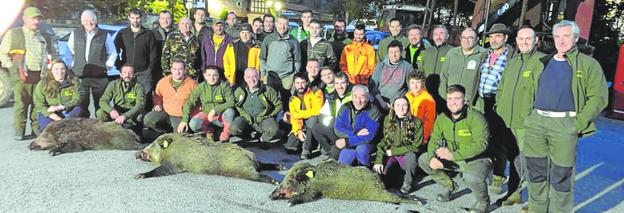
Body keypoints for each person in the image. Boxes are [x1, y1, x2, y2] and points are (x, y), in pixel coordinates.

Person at [524, 20, 608, 213]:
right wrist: (528, 118)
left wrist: (577, 124)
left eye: (566, 36)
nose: (561, 41)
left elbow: (598, 97)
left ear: (576, 38)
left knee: (561, 176)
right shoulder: (543, 62)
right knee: (536, 173)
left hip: (565, 124)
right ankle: (537, 209)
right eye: (557, 36)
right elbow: (529, 90)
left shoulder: (588, 64)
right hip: (537, 123)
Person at [418, 85, 491, 213]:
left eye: (457, 98)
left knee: (471, 177)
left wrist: (453, 155)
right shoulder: (442, 118)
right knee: (424, 160)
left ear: (465, 100)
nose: (453, 102)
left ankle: (483, 202)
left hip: (477, 159)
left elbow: (482, 144)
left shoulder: (476, 118)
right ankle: (450, 186)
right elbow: (434, 139)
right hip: (453, 157)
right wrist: (432, 157)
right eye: (450, 98)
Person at [495, 26, 545, 207]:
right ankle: (515, 192)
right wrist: (498, 106)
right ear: (515, 40)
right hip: (507, 121)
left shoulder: (541, 62)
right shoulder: (513, 62)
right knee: (515, 159)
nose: (524, 42)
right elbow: (501, 87)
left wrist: (534, 117)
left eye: (528, 39)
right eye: (521, 39)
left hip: (526, 123)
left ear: (535, 41)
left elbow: (543, 93)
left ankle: (536, 202)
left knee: (531, 162)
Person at [0, 7, 58, 139]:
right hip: (21, 76)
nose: (36, 21)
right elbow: (2, 53)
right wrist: (12, 67)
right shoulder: (14, 33)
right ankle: (19, 131)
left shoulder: (43, 36)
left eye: (38, 18)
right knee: (21, 104)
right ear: (24, 19)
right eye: (33, 18)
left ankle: (36, 129)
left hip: (39, 76)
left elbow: (52, 54)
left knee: (37, 104)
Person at [474, 23, 517, 196]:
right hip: (482, 101)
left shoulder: (511, 57)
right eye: (491, 37)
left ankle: (499, 176)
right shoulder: (486, 55)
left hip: (498, 103)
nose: (493, 40)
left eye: (498, 36)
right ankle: (485, 172)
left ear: (506, 38)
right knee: (484, 138)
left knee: (500, 141)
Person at [67, 10, 116, 118]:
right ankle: (84, 128)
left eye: (91, 20)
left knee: (101, 105)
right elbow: (70, 50)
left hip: (99, 76)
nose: (89, 22)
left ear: (96, 20)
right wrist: (75, 63)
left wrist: (108, 64)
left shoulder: (104, 34)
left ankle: (101, 128)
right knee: (81, 105)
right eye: (86, 20)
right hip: (80, 75)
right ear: (81, 21)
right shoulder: (75, 34)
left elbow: (112, 52)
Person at [373, 97, 423, 194]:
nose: (401, 108)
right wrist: (378, 160)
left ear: (408, 107)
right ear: (393, 107)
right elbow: (384, 142)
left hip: (405, 155)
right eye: (398, 105)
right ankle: (395, 177)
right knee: (382, 175)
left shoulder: (417, 122)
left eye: (404, 105)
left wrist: (393, 152)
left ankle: (408, 183)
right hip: (391, 155)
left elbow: (415, 146)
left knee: (411, 157)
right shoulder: (388, 120)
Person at [177, 66, 235, 142]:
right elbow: (188, 103)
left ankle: (224, 137)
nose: (212, 78)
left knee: (230, 112)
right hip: (206, 114)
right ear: (205, 76)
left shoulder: (224, 86)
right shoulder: (200, 87)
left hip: (220, 115)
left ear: (218, 76)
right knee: (194, 124)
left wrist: (215, 110)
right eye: (209, 75)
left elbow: (231, 102)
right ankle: (209, 131)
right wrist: (184, 120)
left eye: (215, 75)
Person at [144, 58, 197, 133]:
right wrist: (157, 104)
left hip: (180, 116)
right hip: (165, 112)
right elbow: (157, 95)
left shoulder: (192, 84)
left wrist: (189, 117)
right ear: (171, 70)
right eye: (175, 69)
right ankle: (166, 131)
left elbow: (198, 101)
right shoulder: (163, 82)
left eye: (180, 69)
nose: (177, 72)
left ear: (185, 70)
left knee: (179, 137)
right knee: (148, 119)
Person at [230, 68, 282, 143]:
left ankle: (263, 139)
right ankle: (246, 137)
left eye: (254, 76)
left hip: (263, 120)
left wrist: (269, 115)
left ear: (259, 77)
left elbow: (279, 105)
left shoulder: (268, 90)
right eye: (248, 77)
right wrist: (243, 114)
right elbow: (235, 104)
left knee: (273, 129)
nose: (252, 79)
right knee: (234, 128)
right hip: (246, 119)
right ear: (244, 78)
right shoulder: (240, 90)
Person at [334, 85, 381, 166]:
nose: (358, 101)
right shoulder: (344, 108)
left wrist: (348, 141)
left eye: (362, 97)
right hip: (351, 142)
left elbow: (370, 136)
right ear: (352, 97)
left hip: (367, 144)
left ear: (368, 98)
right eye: (355, 97)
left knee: (362, 150)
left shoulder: (373, 111)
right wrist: (355, 133)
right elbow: (338, 129)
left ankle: (367, 173)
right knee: (343, 162)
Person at [114, 8, 157, 97]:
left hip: (144, 72)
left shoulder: (148, 34)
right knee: (128, 97)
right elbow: (114, 51)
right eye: (133, 18)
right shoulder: (123, 33)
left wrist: (149, 68)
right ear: (129, 18)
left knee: (145, 97)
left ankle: (147, 111)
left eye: (137, 18)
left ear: (141, 18)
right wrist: (119, 66)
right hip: (127, 72)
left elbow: (153, 53)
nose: (135, 20)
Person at [439, 27, 487, 107]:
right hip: (451, 103)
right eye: (464, 37)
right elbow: (444, 76)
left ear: (477, 39)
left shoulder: (483, 54)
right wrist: (445, 97)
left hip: (471, 105)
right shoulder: (452, 53)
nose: (466, 40)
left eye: (470, 38)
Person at [311, 72, 351, 160]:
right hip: (335, 128)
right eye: (337, 83)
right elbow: (323, 115)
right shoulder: (331, 96)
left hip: (348, 131)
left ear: (348, 83)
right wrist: (331, 122)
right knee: (316, 127)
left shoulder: (353, 95)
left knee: (337, 154)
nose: (340, 86)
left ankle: (338, 151)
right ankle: (330, 150)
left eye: (342, 83)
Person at [33, 60, 81, 131]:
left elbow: (78, 98)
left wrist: (61, 107)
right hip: (50, 111)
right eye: (56, 69)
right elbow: (39, 104)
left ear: (66, 70)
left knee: (77, 111)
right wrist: (55, 117)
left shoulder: (73, 81)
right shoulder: (43, 83)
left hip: (67, 108)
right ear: (51, 70)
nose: (60, 72)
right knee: (48, 127)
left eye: (62, 69)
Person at [284, 72, 323, 158]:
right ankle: (309, 142)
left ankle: (306, 149)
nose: (300, 86)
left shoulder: (316, 91)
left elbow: (317, 111)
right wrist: (298, 131)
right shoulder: (292, 98)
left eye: (303, 82)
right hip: (302, 124)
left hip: (314, 123)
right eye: (297, 83)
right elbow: (294, 119)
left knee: (313, 119)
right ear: (294, 84)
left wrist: (298, 114)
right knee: (290, 148)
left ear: (307, 82)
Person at [96, 64, 145, 133]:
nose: (127, 75)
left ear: (134, 75)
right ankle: (105, 132)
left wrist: (125, 116)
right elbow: (102, 101)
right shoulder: (113, 84)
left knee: (140, 115)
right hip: (117, 112)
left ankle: (138, 134)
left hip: (131, 113)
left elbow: (140, 105)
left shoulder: (139, 87)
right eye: (124, 72)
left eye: (130, 73)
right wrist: (111, 110)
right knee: (100, 112)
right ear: (121, 74)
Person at [369, 40, 413, 113]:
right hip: (380, 102)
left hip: (398, 106)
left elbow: (411, 88)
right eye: (391, 52)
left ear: (401, 52)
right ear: (388, 53)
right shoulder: (381, 65)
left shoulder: (407, 67)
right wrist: (381, 102)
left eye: (397, 52)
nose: (394, 55)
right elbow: (372, 86)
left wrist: (401, 102)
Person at [259, 15, 301, 91]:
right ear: (276, 24)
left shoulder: (294, 41)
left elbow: (297, 60)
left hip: (287, 77)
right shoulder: (268, 39)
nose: (282, 26)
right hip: (270, 76)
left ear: (288, 26)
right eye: (280, 23)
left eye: (285, 24)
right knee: (270, 99)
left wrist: (294, 75)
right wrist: (263, 73)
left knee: (285, 100)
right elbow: (262, 57)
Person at [421, 25, 454, 113]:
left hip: (444, 94)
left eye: (441, 33)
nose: (438, 36)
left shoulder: (453, 52)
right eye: (435, 34)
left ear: (447, 36)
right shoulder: (427, 51)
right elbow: (421, 71)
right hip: (427, 92)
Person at [404, 71, 436, 144]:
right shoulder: (407, 96)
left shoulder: (428, 99)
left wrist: (424, 138)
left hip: (419, 136)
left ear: (422, 83)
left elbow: (429, 122)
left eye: (418, 82)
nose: (415, 86)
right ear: (409, 83)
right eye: (412, 82)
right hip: (406, 133)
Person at [200, 19, 235, 84]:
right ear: (212, 26)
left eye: (221, 25)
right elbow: (203, 57)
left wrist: (231, 76)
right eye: (216, 25)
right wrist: (204, 71)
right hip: (210, 75)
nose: (218, 28)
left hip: (224, 76)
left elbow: (232, 61)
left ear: (224, 27)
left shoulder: (230, 40)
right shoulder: (207, 39)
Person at [152, 10, 175, 83]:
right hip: (157, 68)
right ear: (159, 20)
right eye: (163, 18)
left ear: (171, 19)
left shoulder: (177, 33)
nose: (165, 20)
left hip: (173, 68)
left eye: (168, 18)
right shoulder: (152, 33)